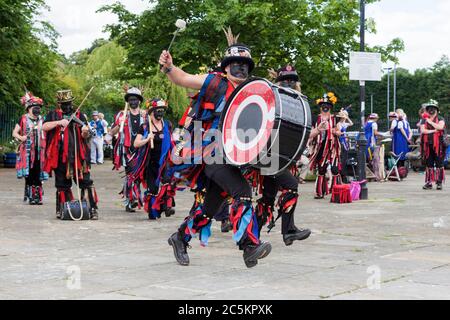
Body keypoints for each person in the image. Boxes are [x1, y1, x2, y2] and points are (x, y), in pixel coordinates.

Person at [159, 27, 271, 268]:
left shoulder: (253, 91)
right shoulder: (213, 81)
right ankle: (249, 246)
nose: (240, 68)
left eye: (245, 64)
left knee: (209, 207)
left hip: (233, 157)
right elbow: (183, 78)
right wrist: (169, 67)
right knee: (241, 192)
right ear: (226, 66)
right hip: (209, 152)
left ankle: (179, 238)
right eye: (235, 63)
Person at [252, 65, 310, 245]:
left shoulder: (298, 104)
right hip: (268, 155)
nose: (289, 83)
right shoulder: (270, 99)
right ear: (279, 82)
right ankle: (288, 230)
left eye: (292, 80)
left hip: (280, 157)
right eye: (285, 80)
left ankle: (252, 234)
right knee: (291, 184)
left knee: (268, 197)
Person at [42, 90, 99, 219]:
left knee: (86, 181)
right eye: (64, 104)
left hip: (79, 156)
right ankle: (63, 209)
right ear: (59, 104)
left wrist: (85, 131)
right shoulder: (53, 114)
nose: (67, 106)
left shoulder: (79, 115)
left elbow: (86, 134)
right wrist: (59, 122)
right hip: (60, 156)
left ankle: (92, 209)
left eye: (69, 103)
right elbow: (44, 127)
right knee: (62, 184)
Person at [133, 98, 176, 220]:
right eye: (158, 110)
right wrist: (147, 139)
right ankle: (153, 209)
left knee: (168, 181)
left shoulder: (167, 124)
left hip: (165, 160)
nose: (160, 113)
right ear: (151, 112)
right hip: (150, 161)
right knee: (153, 188)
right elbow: (136, 143)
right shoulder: (145, 127)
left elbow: (172, 141)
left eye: (162, 111)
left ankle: (167, 207)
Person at [109, 87, 145, 212]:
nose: (133, 102)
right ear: (128, 101)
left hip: (141, 149)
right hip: (127, 149)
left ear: (139, 101)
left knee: (139, 175)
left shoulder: (145, 115)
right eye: (131, 100)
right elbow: (112, 132)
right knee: (130, 174)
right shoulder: (122, 115)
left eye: (135, 99)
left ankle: (134, 198)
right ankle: (131, 201)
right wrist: (119, 124)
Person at [13, 92, 49, 205]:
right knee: (30, 173)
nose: (37, 110)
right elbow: (14, 133)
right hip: (27, 152)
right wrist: (21, 137)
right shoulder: (23, 119)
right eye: (34, 107)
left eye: (38, 108)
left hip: (40, 152)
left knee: (38, 172)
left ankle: (38, 195)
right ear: (28, 108)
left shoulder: (42, 119)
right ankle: (31, 195)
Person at [309, 93, 341, 199]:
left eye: (327, 105)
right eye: (323, 105)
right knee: (321, 169)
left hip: (333, 147)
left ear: (330, 107)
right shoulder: (315, 119)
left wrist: (335, 132)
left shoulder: (335, 118)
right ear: (320, 107)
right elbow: (311, 132)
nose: (325, 107)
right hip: (320, 147)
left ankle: (337, 193)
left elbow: (339, 131)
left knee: (335, 169)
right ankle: (319, 192)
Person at [420, 100, 446, 190]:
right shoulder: (423, 120)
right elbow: (423, 130)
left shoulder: (441, 118)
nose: (431, 110)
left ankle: (439, 183)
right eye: (429, 109)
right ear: (427, 110)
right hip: (427, 145)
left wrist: (431, 123)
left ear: (436, 110)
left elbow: (440, 127)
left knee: (439, 163)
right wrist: (433, 130)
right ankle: (429, 182)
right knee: (429, 164)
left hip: (439, 145)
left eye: (433, 109)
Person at [335, 109, 353, 183]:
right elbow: (339, 132)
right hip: (341, 139)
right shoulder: (339, 124)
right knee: (342, 154)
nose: (344, 118)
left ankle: (344, 173)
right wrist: (344, 134)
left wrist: (347, 117)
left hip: (345, 139)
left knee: (345, 153)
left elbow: (351, 123)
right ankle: (341, 173)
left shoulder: (345, 123)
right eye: (343, 117)